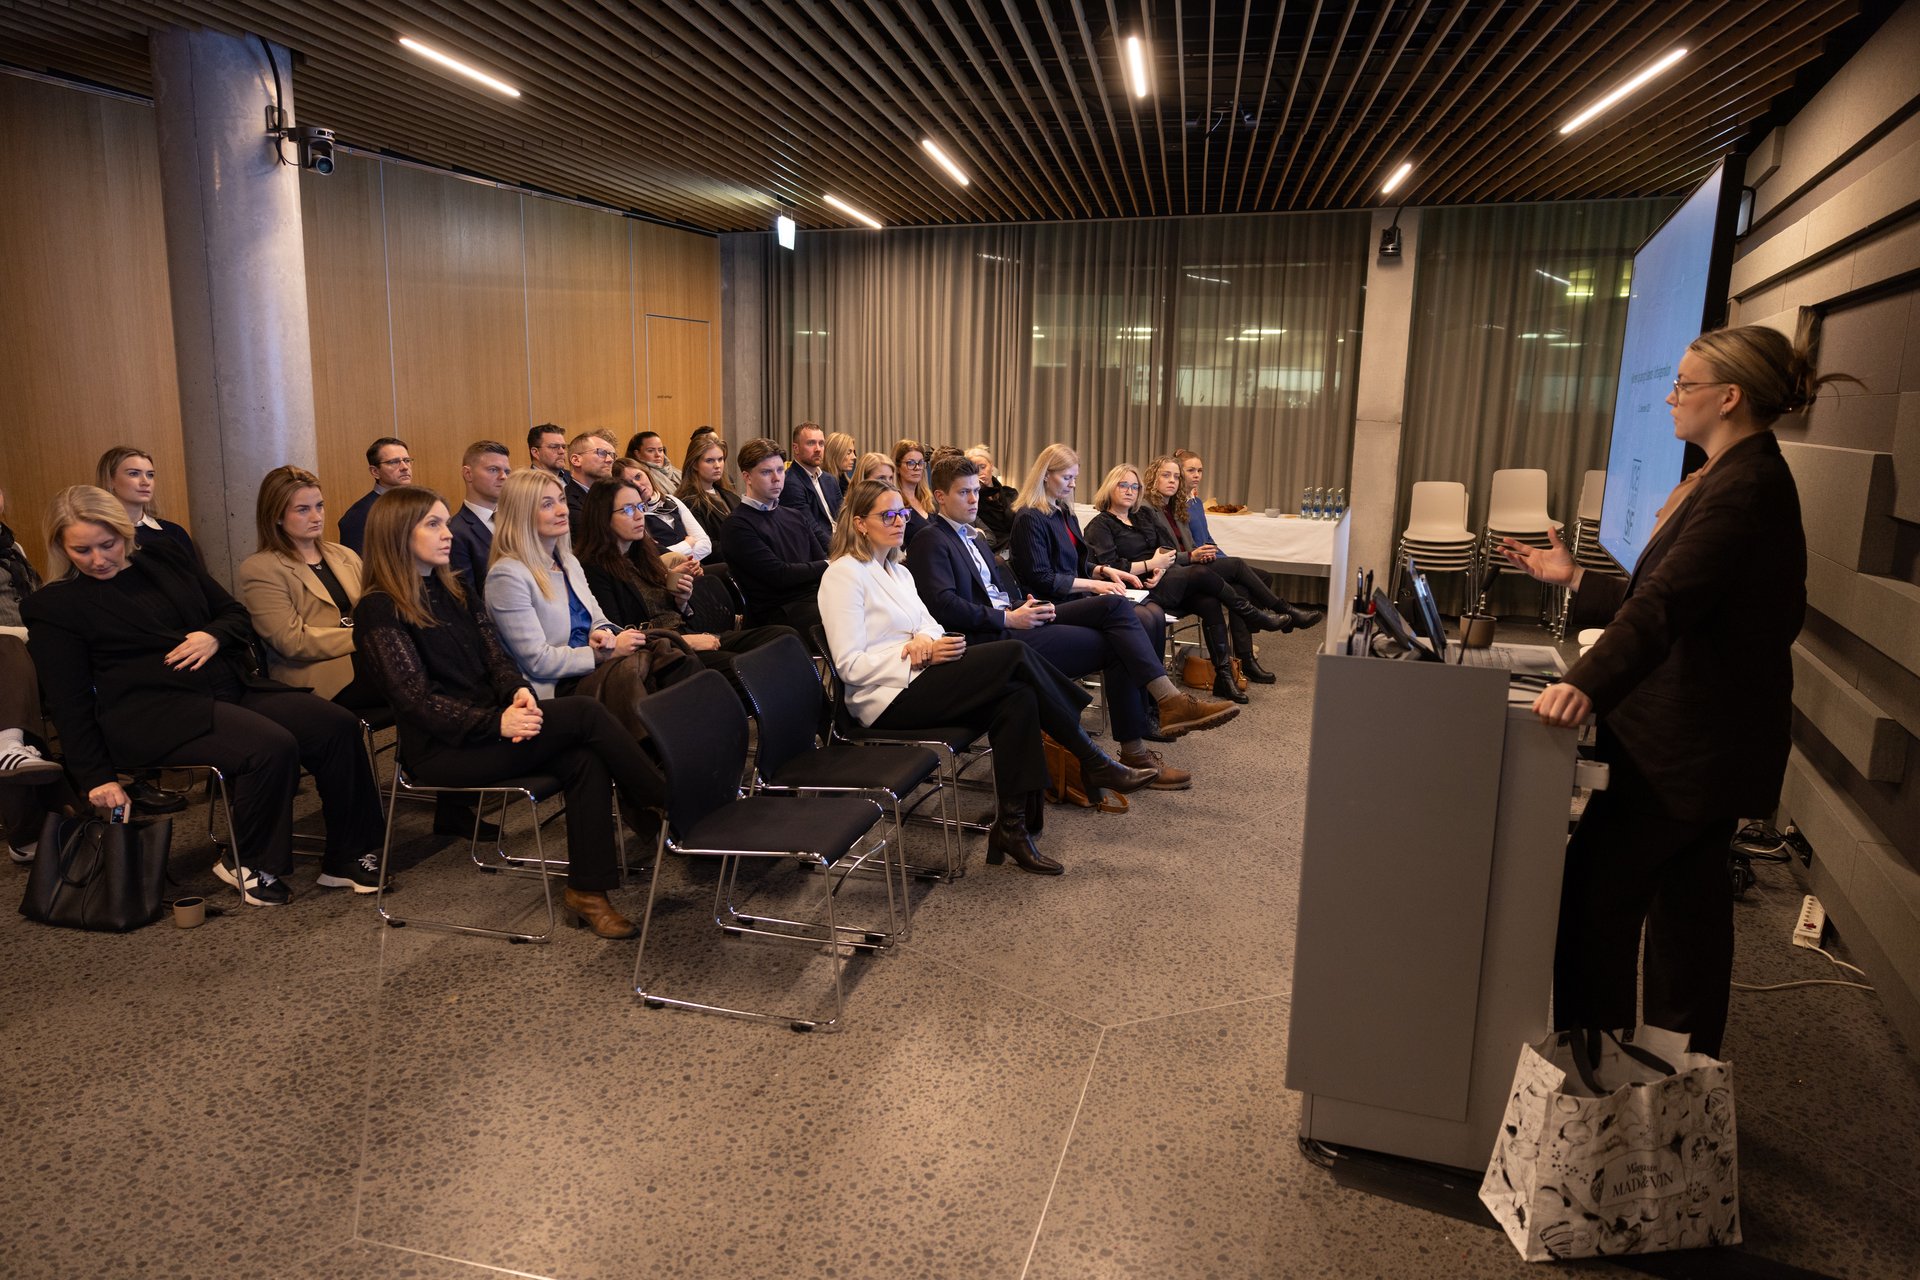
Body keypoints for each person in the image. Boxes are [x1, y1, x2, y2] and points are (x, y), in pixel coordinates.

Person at [1499, 324, 1853, 1058]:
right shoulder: (1734, 474)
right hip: (1703, 747)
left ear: (1728, 397)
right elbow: (1672, 596)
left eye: (1684, 385)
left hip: (1686, 753)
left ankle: (1595, 1069)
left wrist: (1585, 683)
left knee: (1597, 906)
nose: (1670, 397)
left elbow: (1665, 607)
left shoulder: (1744, 487)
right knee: (1686, 926)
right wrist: (1573, 577)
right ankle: (1670, 1075)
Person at [24, 486, 388, 903]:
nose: (98, 559)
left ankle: (348, 854)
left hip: (226, 687)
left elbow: (233, 614)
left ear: (125, 533)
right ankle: (247, 860)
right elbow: (68, 701)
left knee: (336, 725)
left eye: (108, 545)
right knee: (269, 746)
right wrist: (96, 777)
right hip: (153, 714)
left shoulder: (164, 557)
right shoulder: (54, 606)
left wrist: (212, 636)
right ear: (61, 548)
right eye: (82, 550)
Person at [353, 487, 668, 938]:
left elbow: (497, 658)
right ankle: (672, 804)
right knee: (583, 713)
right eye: (433, 524)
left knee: (585, 759)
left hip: (494, 724)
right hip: (444, 748)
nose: (447, 534)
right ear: (397, 534)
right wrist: (494, 721)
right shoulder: (378, 608)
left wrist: (517, 692)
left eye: (445, 522)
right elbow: (415, 699)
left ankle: (588, 892)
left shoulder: (454, 587)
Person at [820, 480, 1154, 875]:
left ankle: (1012, 828)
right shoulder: (843, 575)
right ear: (859, 523)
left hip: (924, 676)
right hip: (885, 698)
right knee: (1013, 653)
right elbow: (849, 665)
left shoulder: (897, 571)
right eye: (888, 515)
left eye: (903, 513)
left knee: (1019, 698)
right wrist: (910, 654)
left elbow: (929, 625)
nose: (900, 522)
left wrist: (925, 642)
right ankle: (1090, 756)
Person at [906, 457, 1236, 787]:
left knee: (1116, 607)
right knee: (1118, 642)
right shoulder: (930, 539)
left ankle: (1167, 704)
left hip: (1017, 615)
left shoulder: (976, 537)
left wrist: (1024, 607)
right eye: (964, 492)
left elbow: (1000, 594)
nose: (974, 499)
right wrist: (1009, 617)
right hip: (990, 638)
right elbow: (943, 607)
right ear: (940, 496)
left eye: (976, 491)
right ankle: (1141, 744)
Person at [1085, 463, 1290, 706]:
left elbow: (1166, 547)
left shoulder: (1142, 515)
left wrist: (1160, 567)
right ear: (1110, 487)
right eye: (1123, 485)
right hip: (1137, 589)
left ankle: (1223, 677)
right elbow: (1112, 567)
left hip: (1164, 578)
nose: (1130, 491)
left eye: (1134, 486)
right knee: (1200, 573)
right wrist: (1152, 564)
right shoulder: (1100, 525)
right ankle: (1253, 614)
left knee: (1209, 601)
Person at [576, 478, 793, 679]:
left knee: (783, 637)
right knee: (750, 667)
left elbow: (675, 614)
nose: (639, 515)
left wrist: (681, 600)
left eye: (640, 507)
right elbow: (621, 635)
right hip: (662, 655)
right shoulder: (593, 568)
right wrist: (686, 641)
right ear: (602, 517)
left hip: (685, 635)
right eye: (628, 509)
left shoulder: (645, 553)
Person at [1147, 455, 1321, 685]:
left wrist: (1210, 555)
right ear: (1153, 477)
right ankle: (1278, 615)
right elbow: (1166, 552)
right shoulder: (1152, 509)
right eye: (1187, 471)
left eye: (1177, 476)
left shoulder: (1183, 504)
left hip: (1195, 563)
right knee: (1239, 569)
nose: (1193, 476)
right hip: (1180, 571)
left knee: (1245, 583)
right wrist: (1196, 556)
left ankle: (1244, 660)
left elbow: (1203, 540)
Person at [484, 468, 648, 698]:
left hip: (594, 670)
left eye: (562, 500)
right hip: (557, 688)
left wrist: (603, 634)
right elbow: (538, 661)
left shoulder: (568, 561)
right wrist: (600, 654)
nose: (562, 510)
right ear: (522, 514)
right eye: (547, 504)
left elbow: (598, 619)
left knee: (670, 665)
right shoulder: (507, 576)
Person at [0, 480, 74, 865]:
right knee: (9, 650)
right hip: (9, 649)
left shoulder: (12, 546)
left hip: (25, 653)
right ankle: (9, 746)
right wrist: (30, 635)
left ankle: (96, 790)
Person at [717, 438, 830, 632]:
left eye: (780, 470)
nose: (777, 478)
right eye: (766, 472)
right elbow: (780, 575)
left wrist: (829, 566)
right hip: (776, 614)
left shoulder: (794, 515)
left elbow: (821, 561)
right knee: (843, 616)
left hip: (811, 600)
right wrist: (829, 564)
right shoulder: (737, 525)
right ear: (747, 477)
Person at [96, 445, 202, 568]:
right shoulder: (96, 534)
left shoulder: (173, 532)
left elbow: (195, 577)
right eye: (134, 473)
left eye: (150, 475)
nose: (146, 482)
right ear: (110, 480)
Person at [612, 457, 711, 561]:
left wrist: (678, 558)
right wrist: (687, 545)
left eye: (638, 476)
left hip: (694, 564)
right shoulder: (633, 516)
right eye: (629, 483)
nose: (637, 485)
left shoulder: (671, 500)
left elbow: (705, 544)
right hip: (664, 570)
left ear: (647, 474)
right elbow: (652, 558)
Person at [449, 439, 511, 595]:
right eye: (493, 470)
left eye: (507, 471)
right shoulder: (455, 532)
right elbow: (466, 596)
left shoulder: (515, 521)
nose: (503, 476)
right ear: (468, 474)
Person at [337, 437, 413, 554]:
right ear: (375, 472)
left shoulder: (420, 503)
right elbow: (356, 562)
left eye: (407, 460)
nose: (404, 467)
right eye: (394, 462)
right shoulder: (360, 515)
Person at [675, 433, 741, 560]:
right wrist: (745, 549)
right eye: (709, 460)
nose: (717, 465)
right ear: (695, 464)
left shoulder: (730, 496)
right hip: (721, 563)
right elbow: (707, 547)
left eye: (720, 459)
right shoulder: (688, 502)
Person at [779, 421, 842, 536]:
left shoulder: (830, 480)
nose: (818, 449)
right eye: (811, 443)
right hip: (822, 545)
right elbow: (811, 530)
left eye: (821, 443)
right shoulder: (790, 483)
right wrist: (838, 547)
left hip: (841, 540)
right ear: (796, 448)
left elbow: (843, 517)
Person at [562, 431, 618, 534]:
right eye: (602, 453)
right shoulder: (565, 503)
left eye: (612, 455)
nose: (610, 460)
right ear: (576, 460)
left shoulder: (614, 497)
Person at [966, 444, 1016, 554]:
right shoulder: (972, 501)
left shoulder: (1010, 494)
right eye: (974, 469)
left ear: (991, 466)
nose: (980, 472)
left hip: (1015, 547)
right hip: (992, 550)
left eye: (983, 467)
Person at [892, 439, 934, 544]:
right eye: (910, 463)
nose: (917, 468)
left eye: (920, 463)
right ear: (897, 467)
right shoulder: (894, 503)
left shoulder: (929, 501)